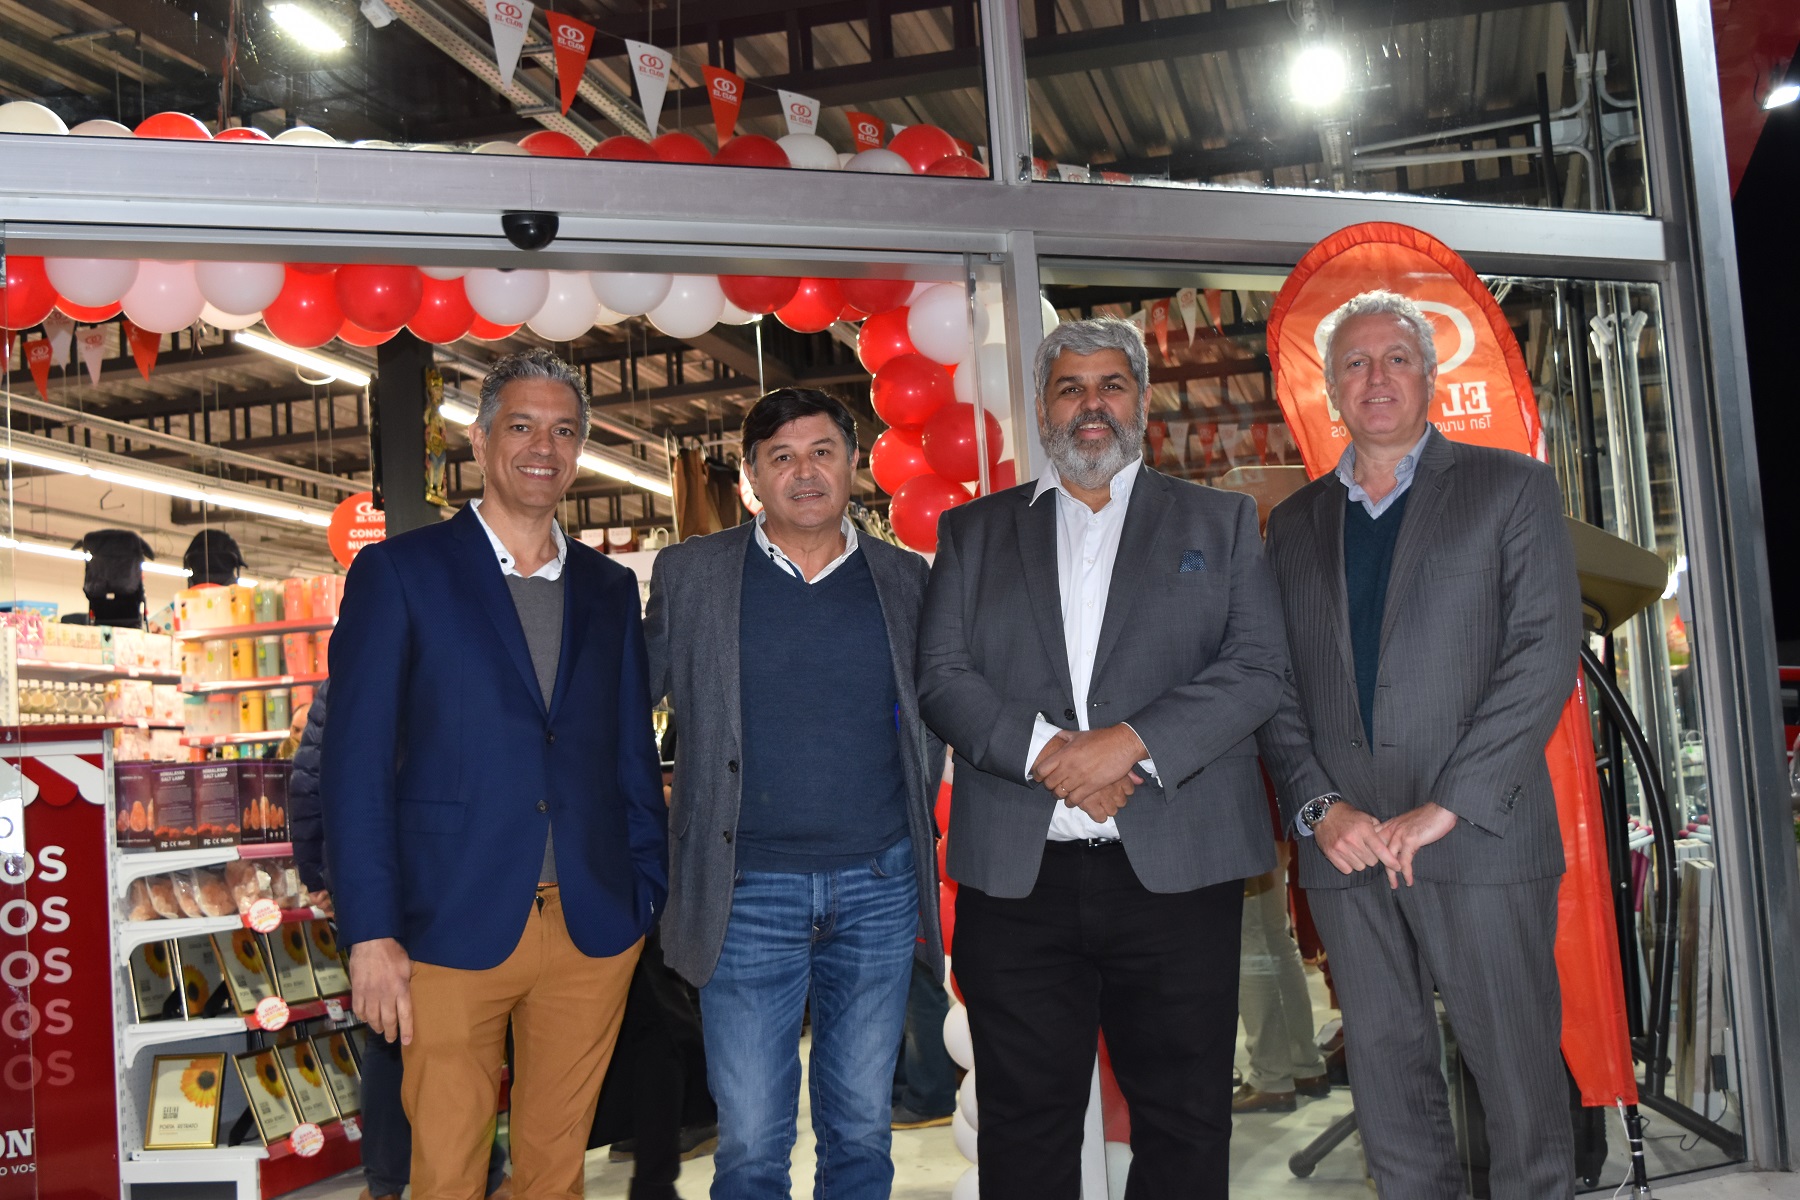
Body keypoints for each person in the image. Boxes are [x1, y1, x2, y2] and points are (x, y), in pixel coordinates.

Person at [916, 316, 1288, 1199]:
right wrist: (1054, 756)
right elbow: (941, 677)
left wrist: (1130, 745)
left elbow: (1257, 668)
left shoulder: (1221, 522)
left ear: (1142, 401)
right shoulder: (973, 532)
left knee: (1184, 1124)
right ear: (1042, 406)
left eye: (1111, 385)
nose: (1092, 405)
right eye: (1071, 388)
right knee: (1025, 1131)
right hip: (1020, 883)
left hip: (1177, 874)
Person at [1256, 289, 1581, 1200]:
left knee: (1518, 1087)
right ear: (1330, 389)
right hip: (1347, 848)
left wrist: (1448, 804)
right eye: (1355, 363)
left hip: (1479, 836)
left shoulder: (1510, 487)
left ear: (1430, 377)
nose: (1377, 378)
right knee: (1389, 1090)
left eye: (1396, 358)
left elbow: (1544, 653)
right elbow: (1274, 683)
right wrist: (1320, 807)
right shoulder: (1294, 523)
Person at [324, 348, 669, 1200]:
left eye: (564, 430)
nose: (543, 447)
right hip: (448, 923)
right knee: (448, 1171)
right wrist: (370, 931)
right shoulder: (400, 573)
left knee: (556, 1174)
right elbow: (355, 766)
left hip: (592, 926)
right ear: (479, 442)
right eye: (521, 426)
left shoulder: (608, 589)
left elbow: (630, 751)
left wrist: (644, 894)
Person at [644, 387, 944, 1200]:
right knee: (750, 1142)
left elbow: (945, 707)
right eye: (781, 457)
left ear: (854, 464)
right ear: (750, 476)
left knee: (861, 1131)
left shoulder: (904, 579)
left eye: (821, 452)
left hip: (878, 886)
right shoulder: (693, 575)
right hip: (744, 892)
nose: (804, 472)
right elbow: (621, 705)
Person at [290, 679, 512, 1200]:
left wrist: (317, 871)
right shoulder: (435, 674)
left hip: (392, 878)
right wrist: (319, 872)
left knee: (400, 1032)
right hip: (422, 876)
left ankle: (397, 1181)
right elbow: (312, 781)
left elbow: (308, 781)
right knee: (428, 1031)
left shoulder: (344, 685)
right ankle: (458, 1175)